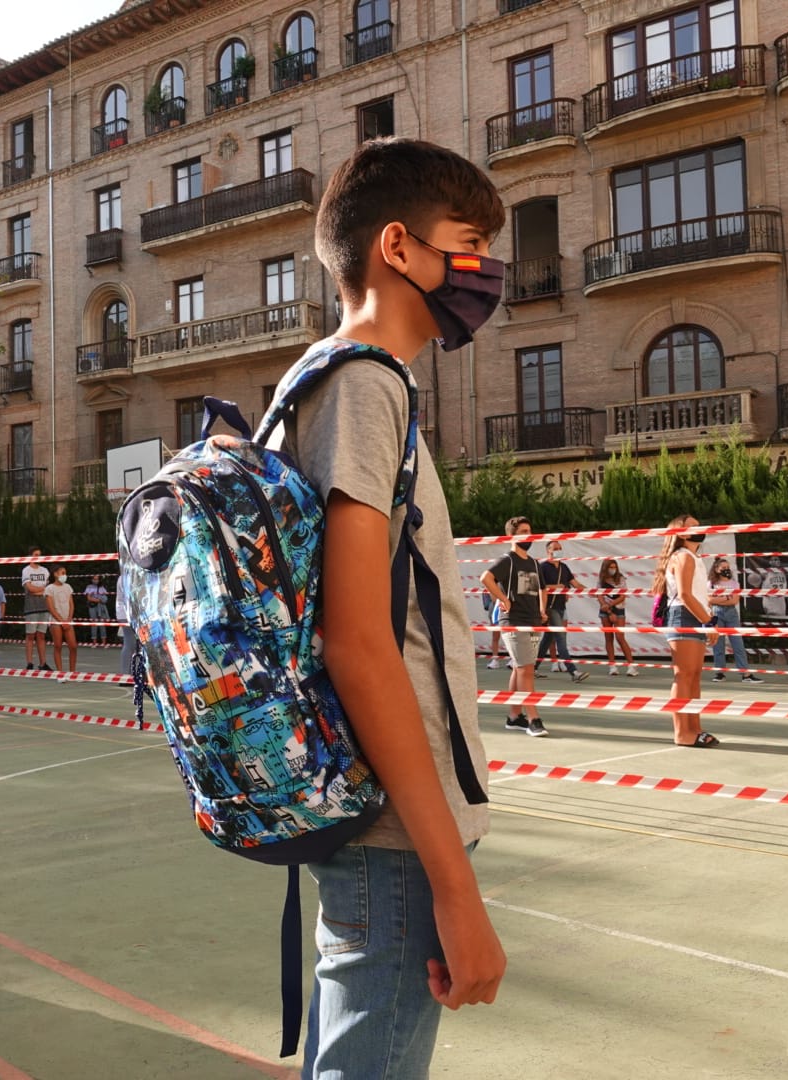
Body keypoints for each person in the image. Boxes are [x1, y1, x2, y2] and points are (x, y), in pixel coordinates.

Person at [272, 138, 503, 1076]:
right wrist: (455, 886)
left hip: (365, 817)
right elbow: (359, 643)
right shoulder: (365, 387)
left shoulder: (324, 381)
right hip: (395, 833)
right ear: (398, 247)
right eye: (471, 242)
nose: (485, 269)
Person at [653, 514, 721, 748]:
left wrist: (707, 617)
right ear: (680, 532)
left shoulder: (692, 557)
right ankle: (683, 732)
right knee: (684, 675)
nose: (699, 528)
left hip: (695, 615)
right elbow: (684, 595)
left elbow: (696, 595)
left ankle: (695, 728)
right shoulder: (683, 556)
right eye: (693, 526)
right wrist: (708, 622)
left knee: (694, 676)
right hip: (684, 615)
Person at [482, 517, 549, 735]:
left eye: (529, 531)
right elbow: (486, 578)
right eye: (523, 531)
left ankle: (514, 716)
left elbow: (542, 588)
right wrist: (503, 598)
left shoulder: (534, 563)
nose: (528, 535)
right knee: (526, 669)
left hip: (532, 621)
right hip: (513, 621)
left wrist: (542, 609)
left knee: (519, 667)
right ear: (513, 535)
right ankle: (533, 719)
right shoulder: (508, 560)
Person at [538, 540, 588, 684]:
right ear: (548, 551)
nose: (559, 550)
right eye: (556, 548)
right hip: (550, 607)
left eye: (560, 548)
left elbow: (575, 584)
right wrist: (556, 586)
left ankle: (533, 667)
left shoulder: (564, 567)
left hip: (561, 607)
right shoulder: (543, 567)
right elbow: (539, 587)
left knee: (548, 639)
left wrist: (593, 592)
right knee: (561, 638)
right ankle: (573, 671)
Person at [708, 556, 762, 684]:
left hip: (731, 613)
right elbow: (709, 600)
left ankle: (745, 674)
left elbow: (734, 600)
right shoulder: (711, 583)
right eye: (723, 568)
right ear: (716, 569)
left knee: (738, 643)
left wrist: (721, 598)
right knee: (718, 644)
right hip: (716, 613)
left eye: (728, 567)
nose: (726, 570)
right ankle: (720, 673)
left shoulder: (734, 583)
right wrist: (726, 598)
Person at [597, 559, 637, 676]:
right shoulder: (601, 580)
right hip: (605, 611)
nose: (612, 570)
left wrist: (610, 605)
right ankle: (612, 666)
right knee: (608, 638)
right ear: (605, 568)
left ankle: (631, 666)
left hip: (618, 610)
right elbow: (599, 595)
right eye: (610, 567)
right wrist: (608, 610)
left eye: (614, 567)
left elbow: (622, 596)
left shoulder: (621, 578)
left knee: (620, 637)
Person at [20, 547, 51, 671]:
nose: (38, 557)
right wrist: (40, 590)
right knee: (30, 636)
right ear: (30, 556)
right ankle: (29, 663)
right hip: (31, 608)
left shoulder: (45, 570)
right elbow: (29, 588)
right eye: (36, 554)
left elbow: (47, 588)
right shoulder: (26, 570)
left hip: (44, 608)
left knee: (41, 636)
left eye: (40, 555)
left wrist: (38, 590)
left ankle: (43, 663)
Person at [45, 566, 78, 673]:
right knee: (58, 645)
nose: (64, 575)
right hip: (56, 621)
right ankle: (60, 673)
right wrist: (61, 621)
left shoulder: (68, 587)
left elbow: (71, 605)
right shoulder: (49, 588)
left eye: (65, 573)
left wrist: (68, 620)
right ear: (55, 574)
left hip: (68, 621)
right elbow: (51, 608)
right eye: (62, 573)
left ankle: (72, 673)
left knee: (73, 646)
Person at [83, 573, 110, 645]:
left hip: (101, 608)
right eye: (94, 579)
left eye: (97, 579)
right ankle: (94, 642)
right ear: (91, 579)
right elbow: (89, 598)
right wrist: (98, 600)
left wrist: (96, 599)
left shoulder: (102, 587)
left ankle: (104, 643)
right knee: (94, 624)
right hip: (92, 607)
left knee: (102, 624)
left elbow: (105, 598)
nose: (95, 580)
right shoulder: (89, 587)